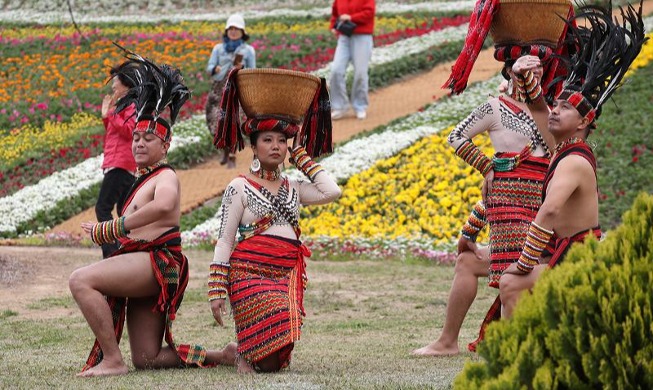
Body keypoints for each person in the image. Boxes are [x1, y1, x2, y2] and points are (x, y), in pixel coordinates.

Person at [69, 51, 236, 377]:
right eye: (135, 138)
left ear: (166, 144)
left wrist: (111, 229)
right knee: (148, 358)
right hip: (148, 264)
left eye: (149, 138)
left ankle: (112, 361)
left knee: (81, 280)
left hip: (155, 263)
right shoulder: (143, 178)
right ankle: (224, 354)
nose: (139, 144)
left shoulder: (166, 176)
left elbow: (162, 207)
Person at [442, 0, 575, 351]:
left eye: (538, 71)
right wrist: (488, 167)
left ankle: (521, 343)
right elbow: (456, 138)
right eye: (525, 71)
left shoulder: (555, 112)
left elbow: (552, 143)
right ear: (510, 72)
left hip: (544, 213)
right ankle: (447, 341)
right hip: (505, 209)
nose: (536, 77)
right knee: (468, 261)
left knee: (516, 276)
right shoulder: (495, 108)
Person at [500, 2, 647, 318]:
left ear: (583, 122)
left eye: (565, 108)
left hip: (579, 258)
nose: (555, 109)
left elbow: (550, 209)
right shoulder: (563, 149)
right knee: (511, 279)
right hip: (564, 252)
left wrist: (525, 263)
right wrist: (521, 76)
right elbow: (539, 109)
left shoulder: (573, 160)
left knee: (512, 282)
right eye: (558, 105)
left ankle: (512, 359)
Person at [209, 68, 341, 373]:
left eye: (282, 140)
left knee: (273, 364)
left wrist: (303, 158)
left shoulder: (293, 187)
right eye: (267, 139)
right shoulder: (239, 186)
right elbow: (226, 240)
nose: (276, 146)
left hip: (284, 278)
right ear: (253, 147)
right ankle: (241, 352)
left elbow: (331, 191)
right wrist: (216, 288)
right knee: (262, 356)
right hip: (248, 274)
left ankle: (235, 352)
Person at [413, 200, 490, 356]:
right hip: (532, 242)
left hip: (544, 249)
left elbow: (504, 188)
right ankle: (447, 342)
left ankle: (447, 341)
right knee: (466, 262)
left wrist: (468, 234)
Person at [96, 63, 138, 258]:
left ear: (126, 86)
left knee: (103, 208)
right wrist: (107, 115)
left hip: (121, 163)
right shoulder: (122, 105)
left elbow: (130, 131)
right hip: (119, 162)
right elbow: (114, 131)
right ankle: (128, 249)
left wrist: (110, 113)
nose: (113, 87)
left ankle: (111, 254)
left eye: (116, 83)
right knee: (124, 210)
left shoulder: (131, 105)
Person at [205, 14, 256, 167]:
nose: (233, 32)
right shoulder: (218, 49)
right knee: (216, 120)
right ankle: (225, 151)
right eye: (231, 29)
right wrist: (215, 68)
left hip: (238, 90)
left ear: (242, 32)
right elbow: (209, 68)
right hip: (219, 90)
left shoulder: (248, 50)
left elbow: (253, 71)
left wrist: (243, 69)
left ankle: (232, 155)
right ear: (227, 31)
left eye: (237, 29)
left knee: (235, 121)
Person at [329, 0, 375, 120]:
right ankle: (340, 106)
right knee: (336, 70)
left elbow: (369, 12)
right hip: (344, 37)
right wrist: (333, 26)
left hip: (362, 37)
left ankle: (360, 106)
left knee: (360, 73)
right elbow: (335, 13)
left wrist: (351, 17)